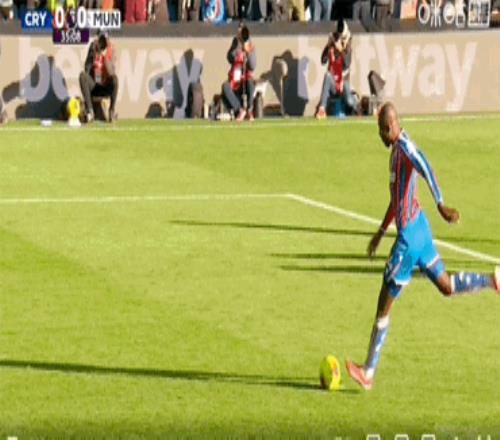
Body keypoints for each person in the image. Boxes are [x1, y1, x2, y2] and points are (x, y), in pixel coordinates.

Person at [345, 102, 500, 391]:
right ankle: (492, 282)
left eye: (380, 130)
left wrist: (441, 204)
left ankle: (368, 372)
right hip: (420, 229)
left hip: (409, 240)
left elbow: (425, 165)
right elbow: (396, 199)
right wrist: (381, 232)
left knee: (383, 305)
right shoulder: (395, 152)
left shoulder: (405, 148)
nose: (379, 135)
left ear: (389, 127)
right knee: (446, 286)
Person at [315, 20, 359, 118]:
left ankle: (356, 103)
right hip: (334, 82)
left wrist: (340, 49)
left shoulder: (347, 45)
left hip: (344, 81)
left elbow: (347, 63)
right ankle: (322, 109)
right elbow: (323, 60)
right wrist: (328, 46)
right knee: (327, 76)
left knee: (349, 101)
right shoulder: (333, 42)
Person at [79, 33, 118, 123]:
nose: (102, 44)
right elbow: (87, 70)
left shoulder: (111, 49)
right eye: (101, 41)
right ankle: (90, 111)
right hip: (95, 85)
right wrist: (92, 56)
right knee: (82, 76)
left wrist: (104, 57)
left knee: (115, 80)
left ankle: (111, 111)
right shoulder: (93, 48)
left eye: (105, 41)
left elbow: (111, 73)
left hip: (105, 85)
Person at [221, 24, 256, 121]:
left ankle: (249, 110)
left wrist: (248, 52)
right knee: (225, 86)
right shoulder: (235, 43)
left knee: (251, 83)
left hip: (246, 79)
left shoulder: (250, 45)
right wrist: (237, 48)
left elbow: (252, 66)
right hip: (235, 80)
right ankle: (239, 110)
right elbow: (230, 57)